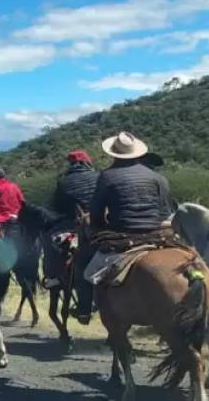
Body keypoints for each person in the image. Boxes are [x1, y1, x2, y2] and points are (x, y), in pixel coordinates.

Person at [77, 132, 173, 322]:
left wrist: (100, 229)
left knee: (84, 266)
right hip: (157, 233)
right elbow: (165, 212)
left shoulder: (107, 176)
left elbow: (96, 213)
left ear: (114, 154)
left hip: (122, 233)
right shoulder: (157, 178)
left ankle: (84, 309)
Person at [49, 150, 99, 320]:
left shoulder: (63, 182)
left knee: (52, 244)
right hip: (103, 224)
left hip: (73, 224)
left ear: (71, 164)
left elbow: (56, 207)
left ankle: (53, 277)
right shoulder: (100, 176)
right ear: (87, 162)